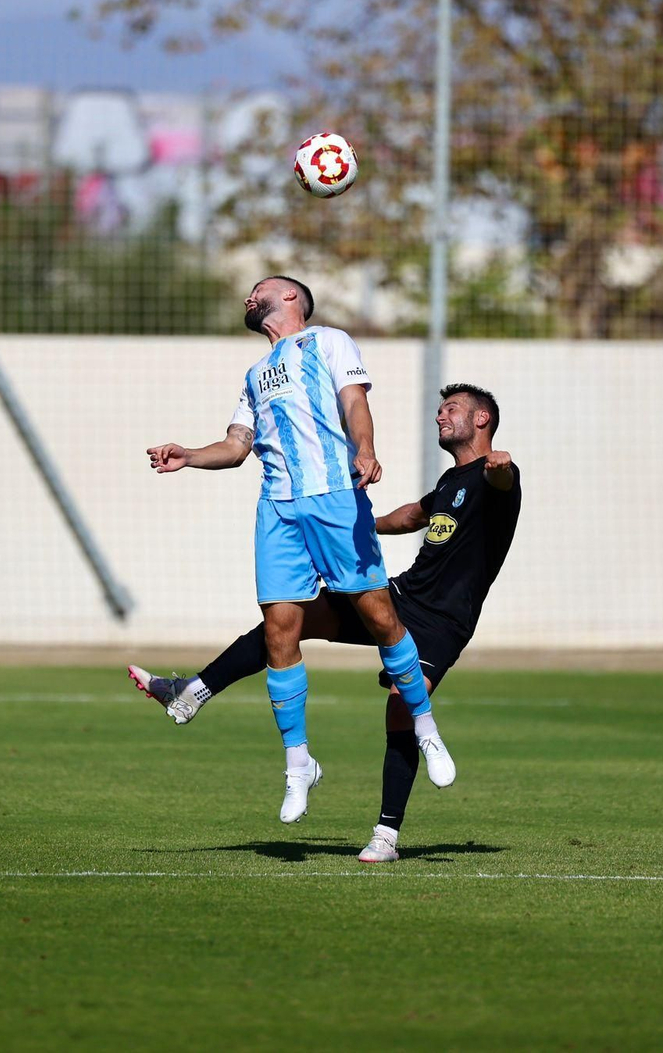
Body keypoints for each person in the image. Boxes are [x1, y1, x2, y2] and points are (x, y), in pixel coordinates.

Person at [133, 383, 520, 861]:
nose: (441, 415)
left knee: (401, 706)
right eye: (440, 409)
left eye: (452, 409)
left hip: (444, 622)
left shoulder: (496, 476)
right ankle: (191, 690)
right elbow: (411, 517)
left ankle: (386, 835)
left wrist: (501, 466)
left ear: (481, 419)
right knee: (289, 621)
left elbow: (502, 480)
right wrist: (360, 524)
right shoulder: (449, 482)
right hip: (403, 596)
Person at [145, 275, 451, 825]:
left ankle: (425, 726)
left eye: (260, 287)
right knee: (280, 630)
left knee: (380, 616)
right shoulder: (254, 374)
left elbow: (354, 401)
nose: (249, 295)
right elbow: (237, 446)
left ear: (290, 298)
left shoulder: (328, 341)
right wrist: (189, 455)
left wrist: (366, 449)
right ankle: (298, 763)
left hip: (334, 494)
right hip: (278, 508)